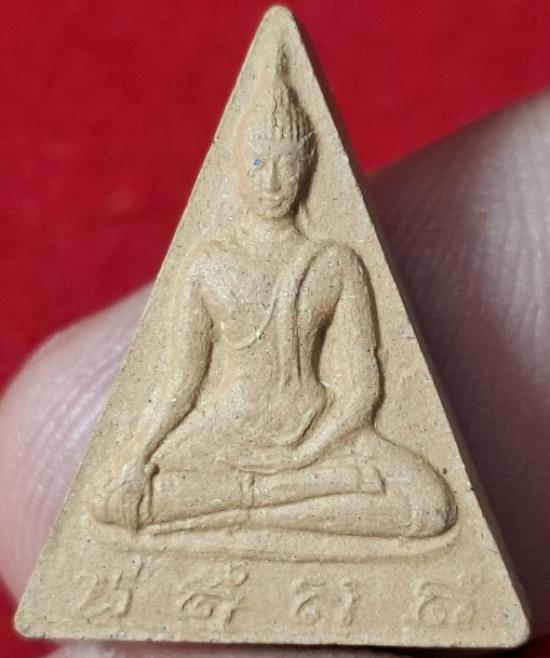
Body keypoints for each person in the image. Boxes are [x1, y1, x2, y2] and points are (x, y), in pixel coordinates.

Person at [89, 53, 455, 537]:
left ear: (306, 167)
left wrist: (305, 454)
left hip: (316, 431)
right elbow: (182, 382)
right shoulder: (208, 265)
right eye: (260, 164)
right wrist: (138, 454)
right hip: (225, 430)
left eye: (286, 164)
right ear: (240, 168)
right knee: (108, 500)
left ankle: (249, 506)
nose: (273, 182)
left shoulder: (334, 263)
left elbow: (362, 392)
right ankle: (286, 499)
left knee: (432, 505)